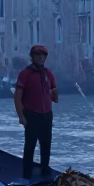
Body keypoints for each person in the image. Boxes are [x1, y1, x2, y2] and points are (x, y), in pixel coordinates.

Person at [15, 45, 58, 179]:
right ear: (32, 57)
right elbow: (17, 97)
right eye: (38, 55)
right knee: (30, 147)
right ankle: (26, 177)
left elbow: (54, 94)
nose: (41, 57)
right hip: (31, 115)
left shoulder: (49, 73)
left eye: (43, 55)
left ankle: (45, 176)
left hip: (46, 116)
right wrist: (21, 116)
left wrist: (53, 95)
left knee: (46, 147)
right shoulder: (25, 74)